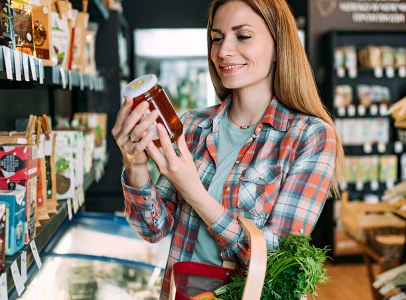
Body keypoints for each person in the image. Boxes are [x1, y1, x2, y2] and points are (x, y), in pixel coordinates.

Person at [112, 0, 344, 298]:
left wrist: (194, 192)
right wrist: (136, 166)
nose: (223, 51)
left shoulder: (309, 136)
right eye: (217, 38)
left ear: (279, 46)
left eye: (243, 36)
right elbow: (154, 229)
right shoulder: (192, 126)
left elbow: (279, 263)